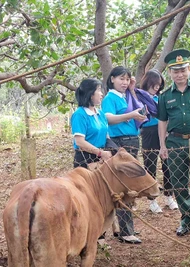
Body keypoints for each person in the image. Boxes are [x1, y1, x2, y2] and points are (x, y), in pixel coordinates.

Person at [157, 49, 190, 236]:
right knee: (178, 183)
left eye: (183, 70)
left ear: (189, 70)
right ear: (170, 73)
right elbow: (162, 121)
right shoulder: (165, 96)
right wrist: (162, 146)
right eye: (175, 71)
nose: (179, 74)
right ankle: (188, 219)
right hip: (175, 142)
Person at [101, 66, 147, 244]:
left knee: (128, 186)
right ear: (112, 79)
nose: (124, 82)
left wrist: (132, 89)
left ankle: (126, 229)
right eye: (121, 78)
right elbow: (108, 118)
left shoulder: (127, 96)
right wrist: (131, 115)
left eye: (127, 79)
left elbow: (140, 109)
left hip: (132, 139)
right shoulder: (110, 98)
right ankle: (119, 231)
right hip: (118, 141)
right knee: (119, 186)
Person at [71, 78, 115, 247]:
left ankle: (100, 233)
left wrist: (113, 150)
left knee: (102, 197)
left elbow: (106, 135)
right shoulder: (80, 115)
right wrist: (99, 152)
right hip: (86, 159)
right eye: (99, 90)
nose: (102, 94)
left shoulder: (100, 113)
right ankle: (88, 235)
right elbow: (80, 141)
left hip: (102, 157)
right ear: (90, 94)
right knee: (89, 198)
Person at [139, 69, 178, 213]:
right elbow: (140, 116)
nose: (157, 87)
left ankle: (169, 196)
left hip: (163, 132)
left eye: (159, 85)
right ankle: (152, 200)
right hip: (148, 133)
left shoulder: (160, 98)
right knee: (150, 166)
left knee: (168, 165)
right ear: (148, 82)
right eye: (155, 84)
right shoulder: (139, 97)